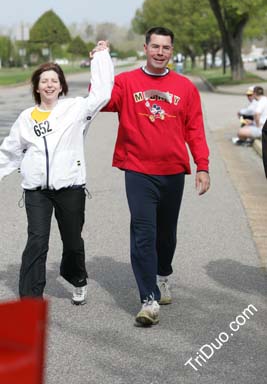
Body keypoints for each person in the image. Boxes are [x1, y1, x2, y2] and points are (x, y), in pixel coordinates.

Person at [103, 27, 210, 326]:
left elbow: (195, 129)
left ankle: (164, 275)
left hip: (172, 171)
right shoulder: (125, 82)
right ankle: (148, 299)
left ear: (171, 51)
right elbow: (100, 100)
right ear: (145, 48)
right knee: (143, 233)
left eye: (166, 48)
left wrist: (202, 165)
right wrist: (101, 63)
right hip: (138, 170)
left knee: (166, 235)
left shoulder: (185, 87)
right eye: (155, 46)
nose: (160, 52)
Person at [0, 41, 114, 305]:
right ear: (37, 87)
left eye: (54, 80)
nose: (49, 84)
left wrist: (101, 57)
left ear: (61, 86)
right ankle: (30, 299)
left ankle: (77, 279)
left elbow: (102, 93)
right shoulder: (27, 117)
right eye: (44, 81)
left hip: (70, 188)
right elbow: (9, 151)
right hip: (37, 191)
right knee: (37, 242)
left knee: (73, 241)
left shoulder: (75, 109)